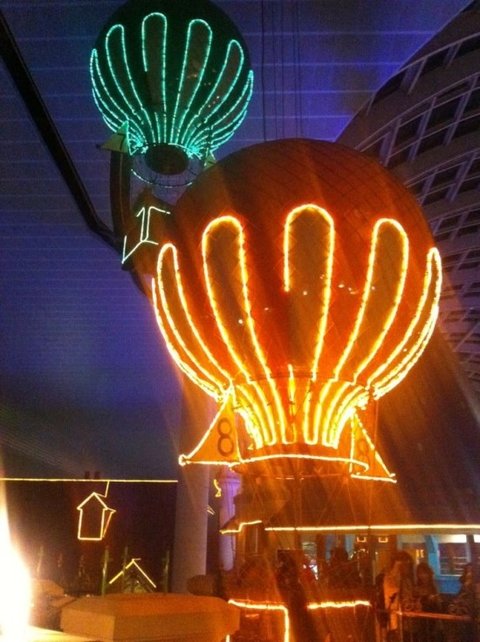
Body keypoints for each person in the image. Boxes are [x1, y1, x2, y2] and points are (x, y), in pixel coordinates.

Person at [383, 551, 416, 641]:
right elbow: (393, 589)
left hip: (409, 620)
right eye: (406, 564)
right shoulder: (389, 578)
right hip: (396, 621)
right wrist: (397, 569)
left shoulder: (407, 581)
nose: (408, 567)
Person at [446, 563, 476, 642]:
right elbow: (452, 608)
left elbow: (472, 608)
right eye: (467, 572)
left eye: (471, 572)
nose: (469, 574)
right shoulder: (463, 591)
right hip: (462, 630)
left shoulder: (476, 592)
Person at [413, 561, 441, 641]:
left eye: (424, 573)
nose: (422, 576)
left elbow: (438, 604)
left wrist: (435, 599)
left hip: (433, 619)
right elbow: (415, 603)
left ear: (429, 573)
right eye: (420, 573)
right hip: (421, 620)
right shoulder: (416, 588)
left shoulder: (434, 587)